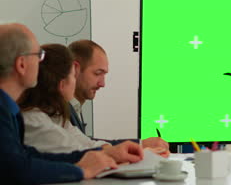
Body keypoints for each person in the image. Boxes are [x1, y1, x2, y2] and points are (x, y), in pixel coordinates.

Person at [0, 23, 144, 184]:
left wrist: (98, 156)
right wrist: (82, 170)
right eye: (38, 55)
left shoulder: (9, 110)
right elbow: (15, 169)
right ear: (21, 64)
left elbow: (29, 157)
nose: (41, 63)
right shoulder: (8, 112)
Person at [68, 39, 169, 154]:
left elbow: (87, 143)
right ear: (75, 69)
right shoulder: (57, 110)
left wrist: (139, 145)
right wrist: (140, 145)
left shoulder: (74, 107)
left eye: (104, 75)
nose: (102, 84)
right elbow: (83, 148)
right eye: (97, 73)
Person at [17, 44, 112, 153]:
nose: (102, 84)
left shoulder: (56, 115)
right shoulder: (34, 121)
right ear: (62, 84)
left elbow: (87, 143)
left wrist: (109, 150)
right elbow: (79, 152)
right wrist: (109, 153)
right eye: (72, 75)